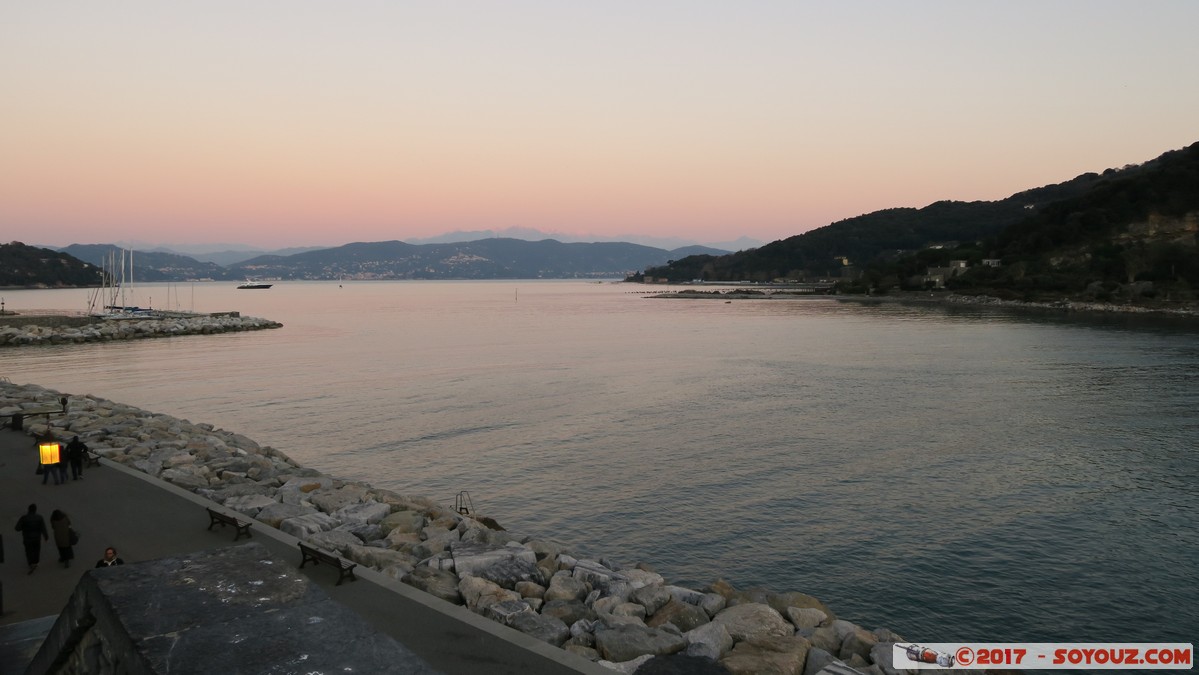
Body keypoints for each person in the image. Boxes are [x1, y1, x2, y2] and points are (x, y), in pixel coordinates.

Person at [14, 504, 49, 574]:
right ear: (35, 510)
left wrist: (23, 526)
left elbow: (17, 528)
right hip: (37, 538)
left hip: (27, 538)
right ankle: (35, 562)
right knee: (36, 550)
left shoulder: (24, 518)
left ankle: (31, 563)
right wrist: (46, 536)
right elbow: (43, 528)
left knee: (29, 551)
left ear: (28, 510)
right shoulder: (39, 517)